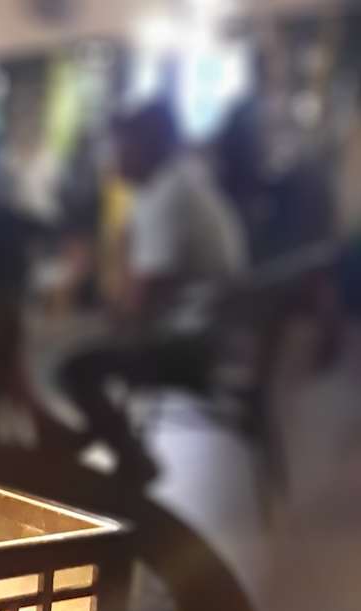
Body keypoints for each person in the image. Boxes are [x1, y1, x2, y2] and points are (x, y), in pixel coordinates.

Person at [57, 99, 246, 484]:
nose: (113, 156)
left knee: (73, 367)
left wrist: (84, 321)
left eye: (121, 144)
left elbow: (140, 300)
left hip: (192, 347)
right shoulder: (178, 182)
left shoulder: (166, 196)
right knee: (79, 349)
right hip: (212, 332)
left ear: (145, 145)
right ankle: (96, 452)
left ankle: (129, 461)